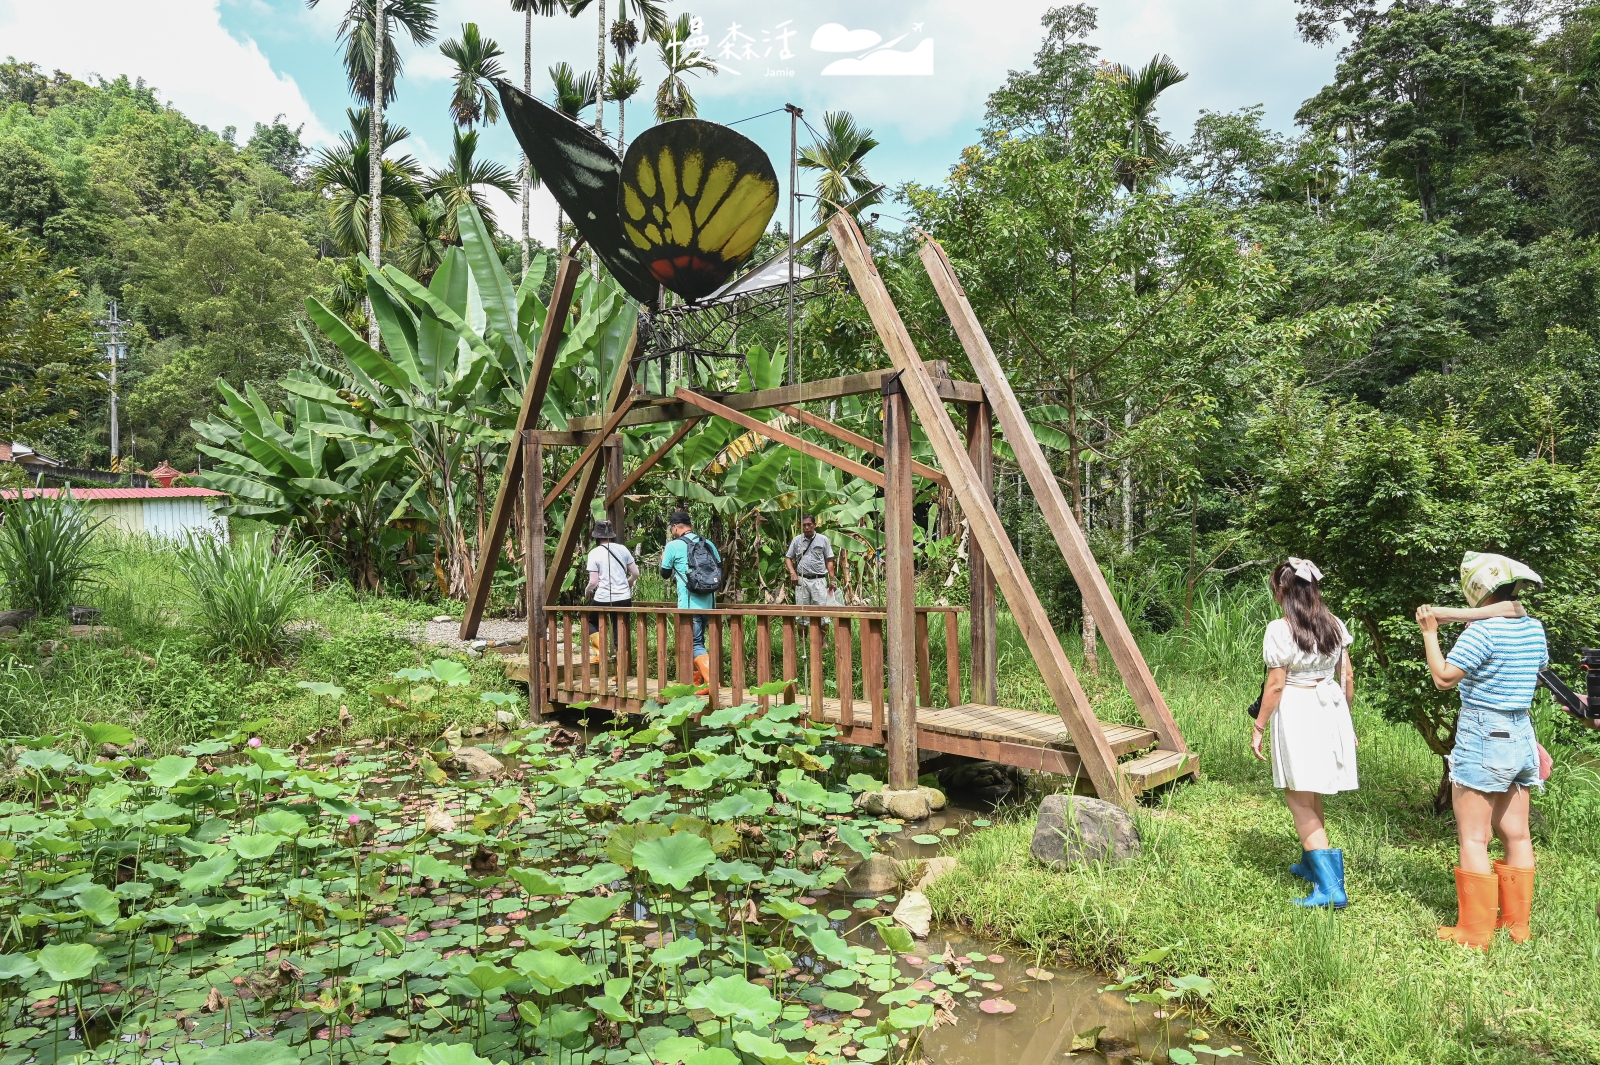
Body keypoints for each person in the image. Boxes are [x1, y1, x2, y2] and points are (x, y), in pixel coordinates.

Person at [1417, 551, 1546, 950]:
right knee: (1517, 835)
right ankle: (1516, 927)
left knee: (1474, 839)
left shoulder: (1481, 632)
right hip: (1521, 730)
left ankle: (1474, 934)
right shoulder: (1533, 628)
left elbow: (1443, 679)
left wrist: (1429, 632)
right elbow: (1534, 672)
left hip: (1484, 732)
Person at [1251, 557, 1358, 909]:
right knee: (1312, 792)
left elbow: (1277, 684)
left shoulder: (1280, 629)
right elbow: (1348, 678)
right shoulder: (1334, 624)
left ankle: (1331, 889)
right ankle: (1312, 864)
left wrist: (1259, 725)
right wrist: (1346, 721)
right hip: (1331, 706)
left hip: (1299, 708)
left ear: (1282, 591)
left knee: (1298, 796)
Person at [659, 509, 721, 687]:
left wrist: (663, 558)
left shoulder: (673, 546)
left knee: (694, 644)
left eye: (672, 528)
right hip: (709, 602)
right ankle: (697, 684)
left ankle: (712, 682)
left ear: (676, 527)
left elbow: (665, 573)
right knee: (700, 642)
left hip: (688, 604)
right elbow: (719, 567)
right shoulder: (707, 543)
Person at [584, 519, 637, 658]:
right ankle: (621, 671)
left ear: (596, 536)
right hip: (624, 598)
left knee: (591, 620)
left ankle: (600, 655)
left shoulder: (594, 553)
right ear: (611, 535)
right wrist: (629, 581)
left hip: (603, 598)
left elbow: (594, 581)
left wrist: (587, 592)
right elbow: (636, 573)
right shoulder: (623, 549)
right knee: (619, 628)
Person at [784, 514, 837, 623]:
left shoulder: (823, 540)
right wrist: (792, 573)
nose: (807, 527)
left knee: (823, 614)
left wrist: (832, 580)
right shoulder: (797, 540)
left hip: (819, 580)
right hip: (802, 580)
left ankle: (824, 640)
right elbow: (788, 558)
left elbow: (829, 560)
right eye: (804, 525)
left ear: (815, 525)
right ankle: (803, 640)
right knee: (801, 615)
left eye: (809, 524)